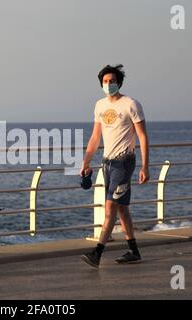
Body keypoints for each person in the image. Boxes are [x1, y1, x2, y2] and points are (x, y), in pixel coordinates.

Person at [80, 64, 150, 268]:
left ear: (119, 83)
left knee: (110, 207)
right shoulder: (99, 105)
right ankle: (134, 251)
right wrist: (86, 161)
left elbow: (143, 136)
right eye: (105, 82)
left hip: (124, 162)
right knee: (122, 209)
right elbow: (95, 137)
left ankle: (97, 253)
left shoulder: (131, 104)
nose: (108, 84)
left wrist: (145, 166)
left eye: (112, 81)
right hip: (107, 163)